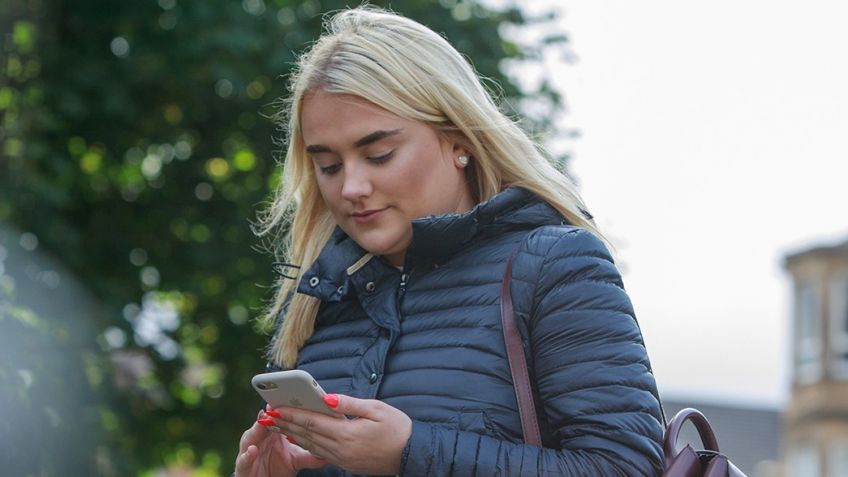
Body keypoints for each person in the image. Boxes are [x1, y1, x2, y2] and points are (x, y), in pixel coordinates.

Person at [234, 5, 664, 476]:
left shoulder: (553, 265)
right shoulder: (320, 304)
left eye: (378, 155)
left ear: (457, 140)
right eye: (328, 166)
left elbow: (624, 468)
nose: (350, 188)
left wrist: (410, 452)